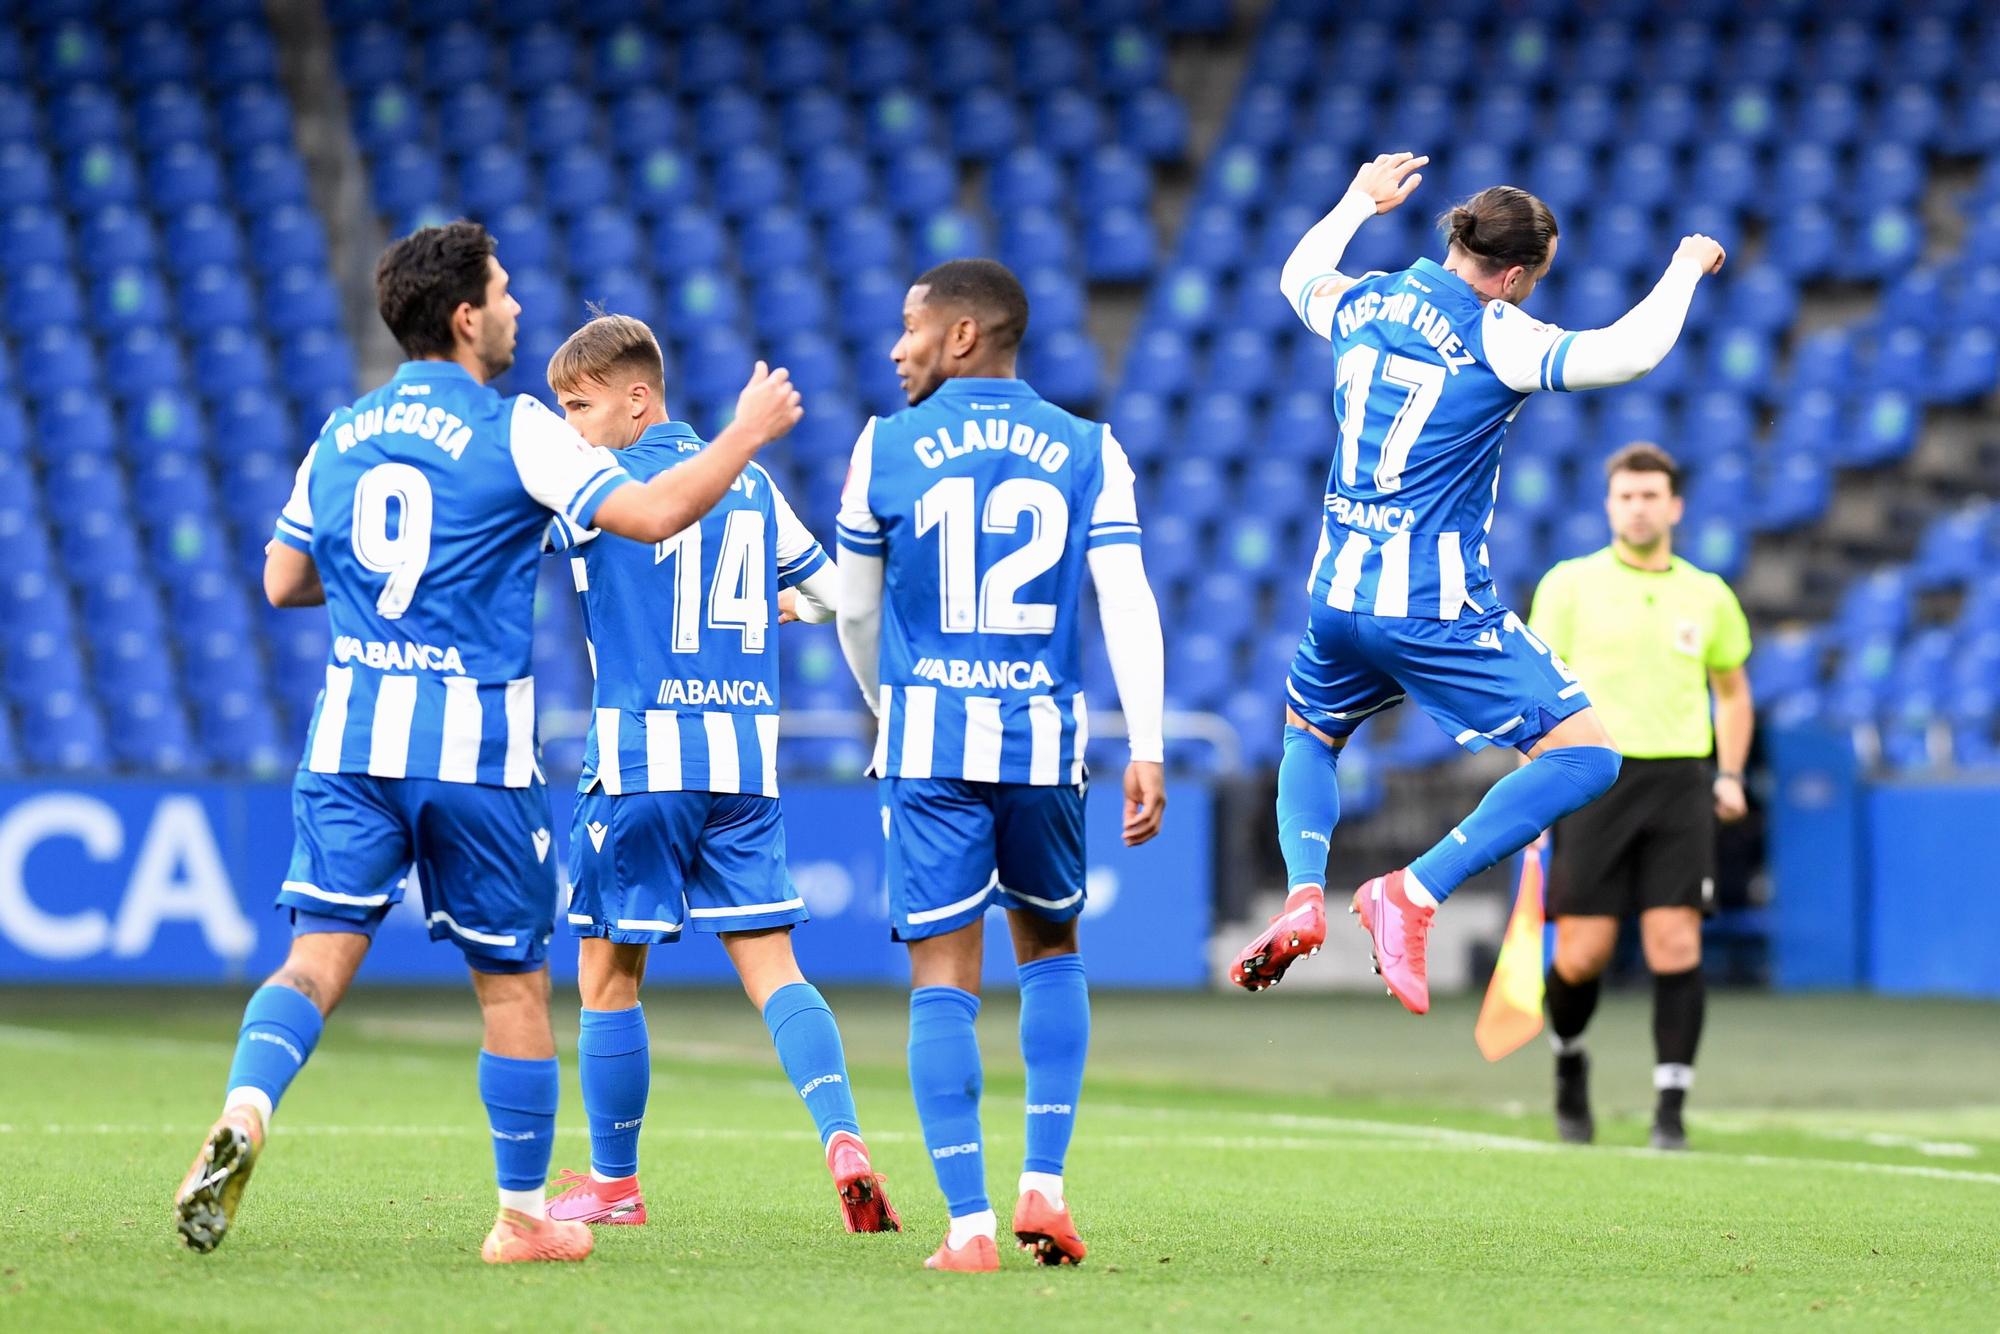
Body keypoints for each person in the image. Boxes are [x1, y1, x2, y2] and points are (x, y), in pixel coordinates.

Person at [172, 222, 802, 1264]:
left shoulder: (341, 431)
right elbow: (647, 513)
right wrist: (742, 433)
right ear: (465, 316)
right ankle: (520, 1214)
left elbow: (283, 580)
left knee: (314, 957)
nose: (514, 308)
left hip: (349, 740)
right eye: (503, 293)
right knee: (512, 983)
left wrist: (388, 591)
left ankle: (246, 1101)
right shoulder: (518, 429)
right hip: (472, 750)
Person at [1226, 152, 1726, 1015]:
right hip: (1432, 601)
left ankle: (1304, 891)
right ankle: (1412, 894)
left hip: (1337, 593)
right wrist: (1686, 265)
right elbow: (1630, 352)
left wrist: (1356, 200)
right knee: (1586, 754)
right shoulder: (1497, 330)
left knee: (1310, 734)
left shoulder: (1367, 298)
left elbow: (1297, 273)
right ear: (1519, 274)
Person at [834, 259, 1167, 1272]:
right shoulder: (1089, 445)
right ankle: (1047, 1188)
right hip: (1043, 741)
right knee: (1051, 949)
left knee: (942, 973)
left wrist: (886, 705)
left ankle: (970, 1227)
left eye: (911, 326)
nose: (897, 347)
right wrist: (1145, 739)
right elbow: (1127, 596)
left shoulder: (884, 444)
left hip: (930, 740)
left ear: (965, 335)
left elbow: (853, 607)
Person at [534, 313, 898, 1232]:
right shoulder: (752, 482)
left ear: (636, 397)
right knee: (775, 967)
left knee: (609, 974)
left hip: (640, 763)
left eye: (579, 405)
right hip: (745, 764)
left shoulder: (597, 485)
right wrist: (782, 602)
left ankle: (614, 1186)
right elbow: (842, 593)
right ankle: (843, 1137)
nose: (571, 427)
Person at [1527, 443, 1752, 1150]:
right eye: (1626, 496)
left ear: (1675, 506)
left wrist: (1731, 773)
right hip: (1593, 778)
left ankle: (1670, 1112)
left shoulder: (1708, 594)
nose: (1639, 506)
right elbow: (1534, 693)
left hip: (1680, 780)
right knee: (1582, 954)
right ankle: (1569, 1063)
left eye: (1651, 495)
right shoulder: (1569, 585)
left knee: (1675, 941)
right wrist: (1533, 794)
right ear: (1609, 505)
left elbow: (1733, 691)